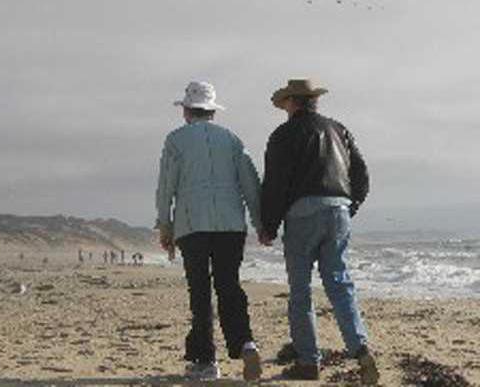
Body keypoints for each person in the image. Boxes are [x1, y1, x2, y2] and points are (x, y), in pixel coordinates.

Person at [260, 79, 378, 383]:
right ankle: (360, 348)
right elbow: (361, 175)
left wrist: (268, 226)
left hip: (302, 213)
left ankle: (309, 362)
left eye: (285, 102)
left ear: (291, 102)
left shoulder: (283, 135)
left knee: (300, 291)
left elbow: (275, 184)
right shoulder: (339, 130)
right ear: (313, 101)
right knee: (340, 284)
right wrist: (348, 208)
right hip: (338, 209)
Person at [155, 81, 263, 381]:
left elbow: (167, 186)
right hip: (231, 225)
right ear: (213, 111)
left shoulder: (175, 140)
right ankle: (245, 343)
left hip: (192, 225)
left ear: (187, 111)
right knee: (229, 286)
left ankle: (206, 361)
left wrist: (165, 225)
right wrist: (260, 223)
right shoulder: (232, 139)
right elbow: (250, 184)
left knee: (200, 292)